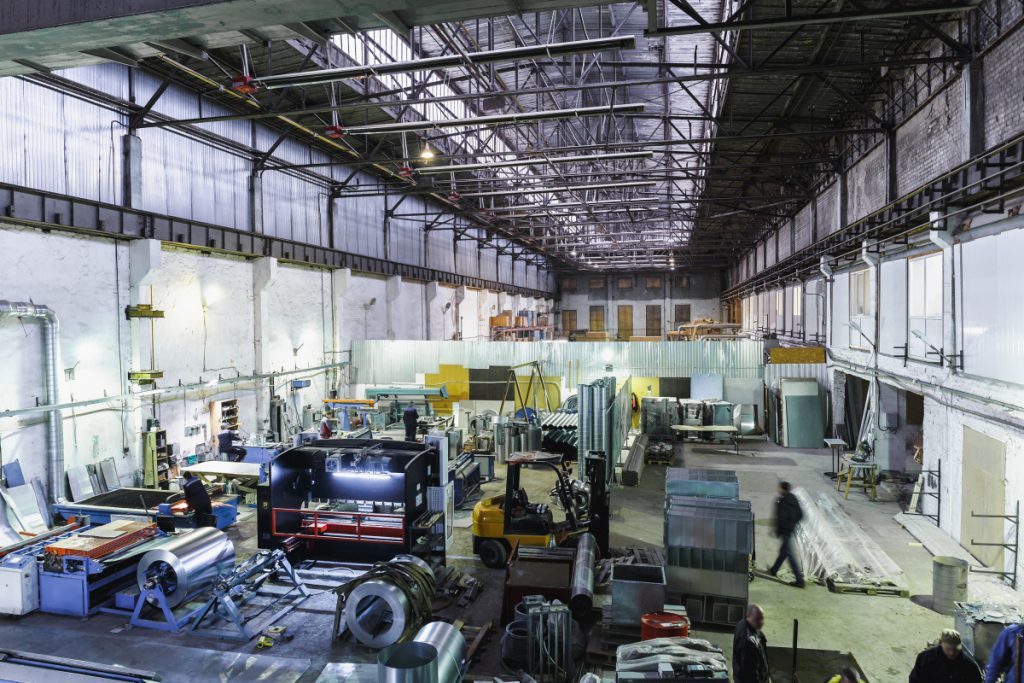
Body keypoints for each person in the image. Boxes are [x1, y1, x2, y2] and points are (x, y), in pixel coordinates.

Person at [909, 629, 982, 683]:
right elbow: (915, 679)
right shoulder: (926, 658)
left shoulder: (969, 665)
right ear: (941, 643)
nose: (952, 653)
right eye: (948, 649)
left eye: (955, 649)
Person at [769, 481, 805, 587]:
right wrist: (793, 524)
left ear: (783, 489)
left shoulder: (781, 501)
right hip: (790, 529)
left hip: (785, 531)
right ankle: (773, 570)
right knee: (784, 551)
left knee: (789, 554)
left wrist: (778, 530)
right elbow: (800, 514)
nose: (778, 489)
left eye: (779, 488)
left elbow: (780, 518)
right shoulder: (793, 498)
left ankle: (800, 580)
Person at [733, 604, 770, 683]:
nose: (761, 622)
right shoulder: (748, 642)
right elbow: (749, 674)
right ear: (748, 616)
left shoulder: (744, 624)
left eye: (762, 618)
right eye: (757, 619)